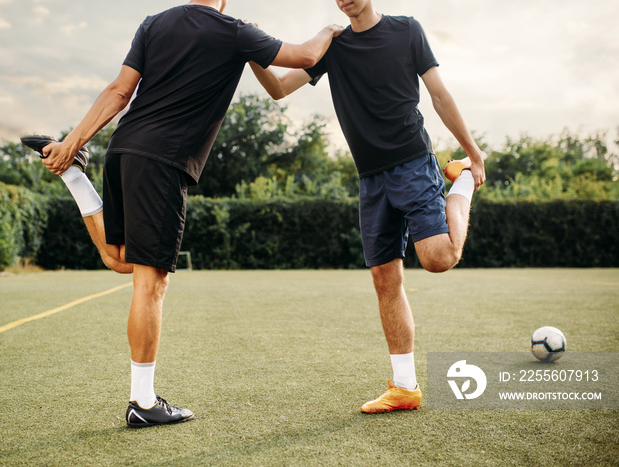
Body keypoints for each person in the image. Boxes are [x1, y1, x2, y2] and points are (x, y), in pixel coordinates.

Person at [29, 0, 343, 427]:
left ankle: (75, 179)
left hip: (123, 151)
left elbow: (119, 92)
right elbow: (306, 56)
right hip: (162, 161)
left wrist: (72, 142)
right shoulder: (232, 29)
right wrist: (329, 28)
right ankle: (142, 403)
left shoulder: (155, 23)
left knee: (119, 260)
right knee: (151, 282)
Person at [250, 0, 486, 414]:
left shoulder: (407, 30)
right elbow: (277, 89)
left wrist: (473, 153)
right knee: (384, 279)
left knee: (438, 258)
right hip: (370, 179)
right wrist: (251, 49)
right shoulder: (332, 49)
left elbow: (439, 95)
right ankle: (405, 388)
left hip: (414, 163)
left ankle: (461, 180)